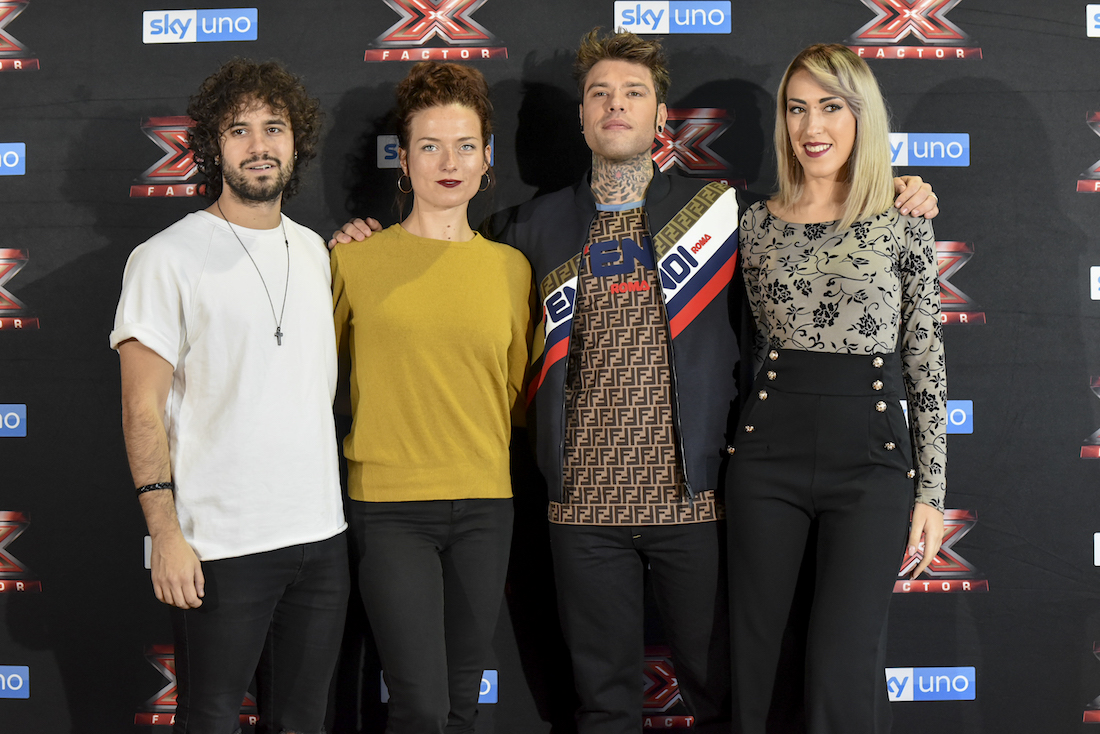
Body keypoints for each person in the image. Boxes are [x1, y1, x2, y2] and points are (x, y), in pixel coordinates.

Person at [331, 29, 939, 734]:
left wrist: (903, 189)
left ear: (660, 117)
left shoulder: (724, 213)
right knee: (601, 707)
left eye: (633, 93)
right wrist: (361, 242)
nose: (615, 105)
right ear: (582, 116)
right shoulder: (527, 227)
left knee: (730, 696)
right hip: (581, 514)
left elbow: (820, 218)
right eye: (600, 94)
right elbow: (441, 252)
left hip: (698, 506)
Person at [111, 59, 349, 734]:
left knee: (303, 721)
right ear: (214, 147)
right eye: (239, 130)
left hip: (321, 539)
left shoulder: (316, 252)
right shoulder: (166, 257)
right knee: (210, 719)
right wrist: (165, 535)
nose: (259, 145)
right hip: (219, 546)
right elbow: (140, 409)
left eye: (274, 127)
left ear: (296, 142)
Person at [727, 43, 947, 734]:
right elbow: (748, 348)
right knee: (760, 665)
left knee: (840, 667)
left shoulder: (904, 216)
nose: (811, 126)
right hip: (767, 458)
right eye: (797, 109)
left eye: (830, 106)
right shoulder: (754, 223)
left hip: (871, 463)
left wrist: (932, 491)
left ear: (861, 115)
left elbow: (925, 358)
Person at [330, 61, 532, 734]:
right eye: (431, 146)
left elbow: (515, 392)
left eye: (466, 146)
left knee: (462, 703)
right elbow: (314, 380)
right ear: (404, 158)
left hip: (485, 506)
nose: (450, 163)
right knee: (419, 707)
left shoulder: (511, 269)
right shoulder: (354, 260)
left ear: (486, 159)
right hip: (390, 509)